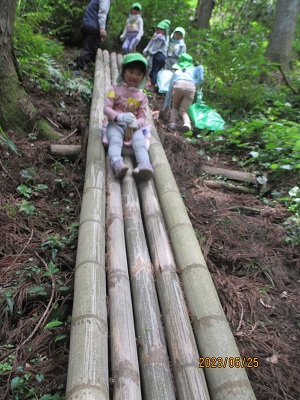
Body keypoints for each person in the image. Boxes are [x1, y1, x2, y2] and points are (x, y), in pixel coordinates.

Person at [104, 53, 154, 181]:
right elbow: (106, 108)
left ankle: (144, 166)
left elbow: (143, 116)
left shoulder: (142, 96)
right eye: (131, 71)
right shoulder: (114, 89)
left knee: (140, 143)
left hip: (133, 128)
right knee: (115, 140)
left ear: (143, 77)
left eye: (138, 74)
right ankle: (117, 163)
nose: (134, 76)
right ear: (123, 72)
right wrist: (118, 117)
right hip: (115, 125)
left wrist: (137, 124)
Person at [162, 53, 204, 132]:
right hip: (191, 87)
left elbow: (170, 87)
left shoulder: (177, 72)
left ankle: (173, 122)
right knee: (184, 110)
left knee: (175, 107)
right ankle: (187, 124)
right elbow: (199, 80)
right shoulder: (194, 71)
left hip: (178, 85)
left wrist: (166, 104)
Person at [75, 0, 111, 74]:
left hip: (87, 24)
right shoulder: (105, 0)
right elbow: (102, 13)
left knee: (91, 47)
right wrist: (102, 28)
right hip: (93, 27)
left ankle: (84, 63)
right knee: (89, 48)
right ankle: (79, 67)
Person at [142, 19, 170, 92]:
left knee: (154, 71)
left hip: (158, 56)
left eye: (160, 29)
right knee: (154, 70)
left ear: (164, 31)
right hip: (156, 54)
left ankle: (152, 85)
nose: (158, 30)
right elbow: (151, 43)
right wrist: (146, 49)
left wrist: (150, 53)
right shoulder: (156, 35)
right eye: (157, 28)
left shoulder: (161, 38)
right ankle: (152, 84)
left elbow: (156, 47)